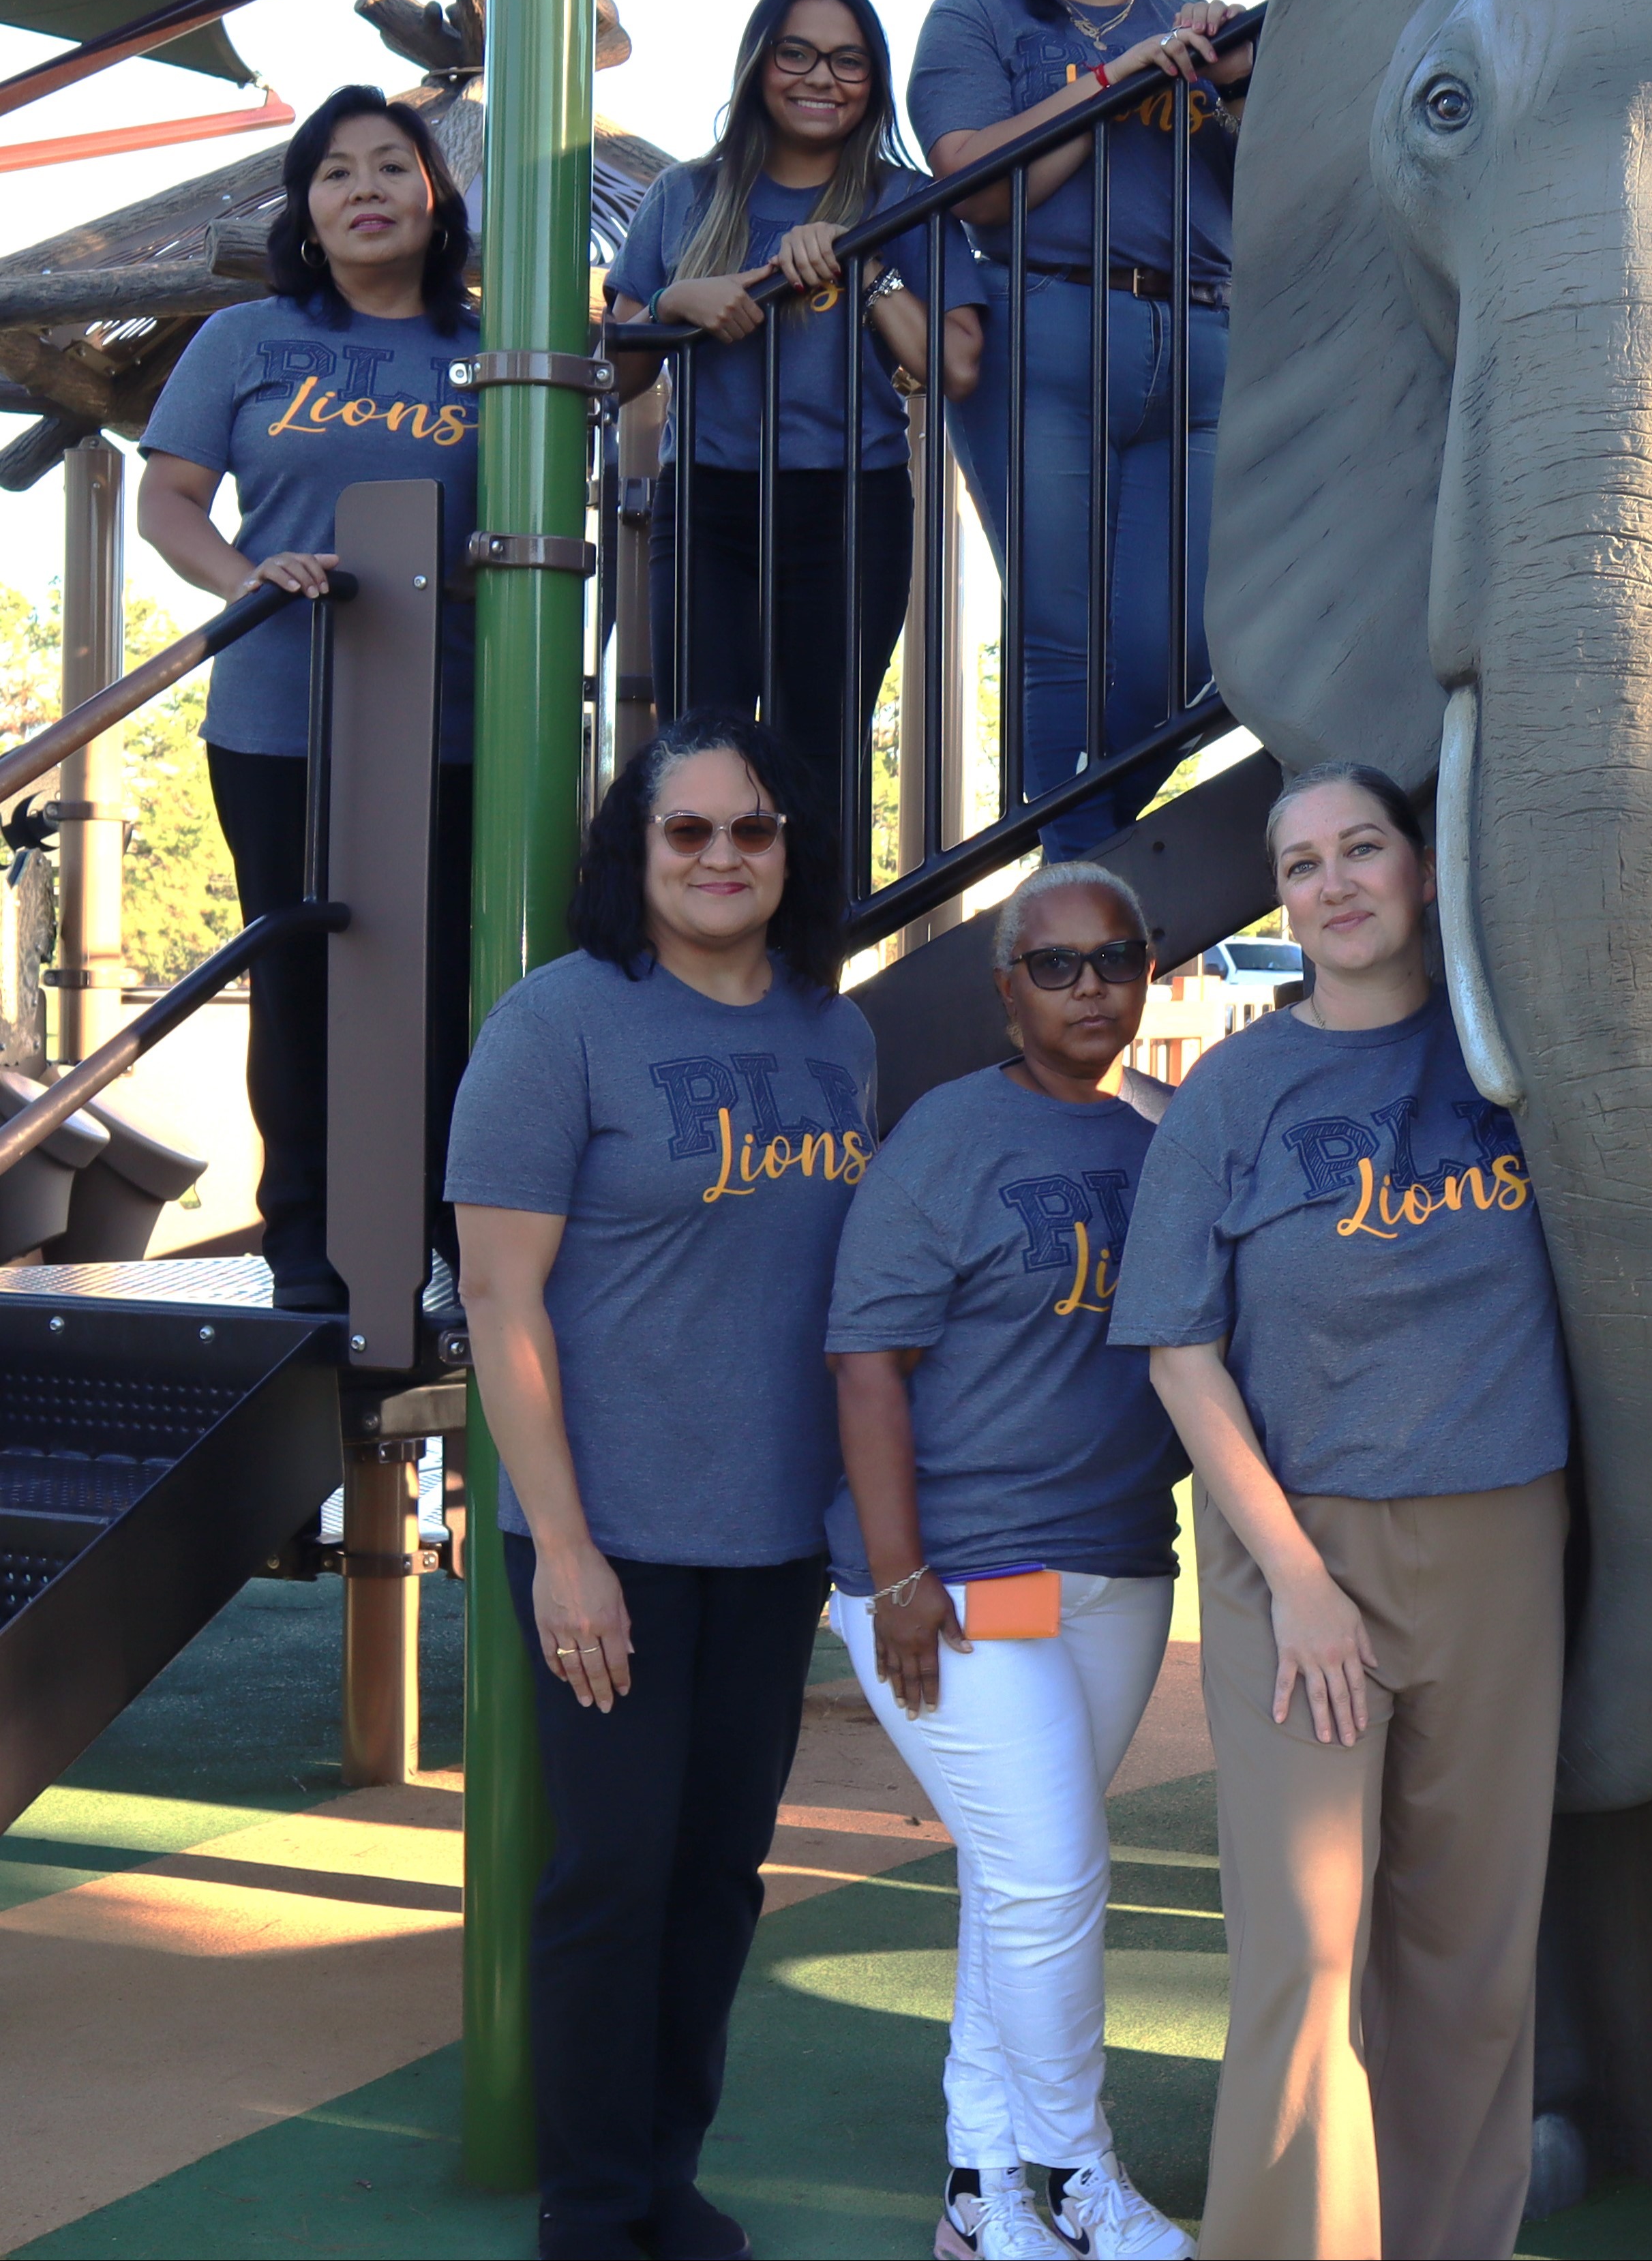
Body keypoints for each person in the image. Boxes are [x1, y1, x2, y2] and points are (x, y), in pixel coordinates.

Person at [1107, 763, 1569, 2260]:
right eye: (1298, 863)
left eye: (1360, 848)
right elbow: (1181, 1356)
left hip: (1502, 1541)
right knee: (1304, 1955)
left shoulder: (1512, 1064)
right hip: (1296, 1557)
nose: (1333, 883)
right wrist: (1296, 1579)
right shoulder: (1236, 1092)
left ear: (1420, 869)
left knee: (1469, 1954)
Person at [447, 712, 877, 2261]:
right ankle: (595, 2205)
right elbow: (500, 1300)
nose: (719, 856)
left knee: (716, 1877)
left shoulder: (837, 1034)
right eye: (684, 831)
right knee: (614, 1878)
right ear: (634, 856)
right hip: (603, 1537)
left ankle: (666, 2176)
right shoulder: (558, 1025)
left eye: (751, 830)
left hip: (768, 1542)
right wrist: (561, 1549)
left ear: (790, 853)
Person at [824, 860, 1193, 2261]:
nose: (1089, 985)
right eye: (1055, 965)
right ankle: (1081, 2173)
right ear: (1005, 989)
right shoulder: (949, 1136)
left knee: (1014, 1877)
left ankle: (983, 2195)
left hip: (1110, 1563)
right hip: (960, 1577)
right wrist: (901, 1576)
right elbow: (866, 1360)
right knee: (1048, 1874)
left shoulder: (1157, 1137)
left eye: (1115, 959)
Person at [138, 83, 481, 1311]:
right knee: (297, 974)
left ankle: (444, 1229)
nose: (366, 191)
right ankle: (305, 1243)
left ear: (435, 198)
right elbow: (169, 499)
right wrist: (250, 579)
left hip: (452, 723)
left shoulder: (482, 350)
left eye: (392, 167)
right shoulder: (246, 340)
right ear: (307, 207)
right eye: (337, 173)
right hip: (281, 715)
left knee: (446, 975)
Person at [907, 0, 1254, 856]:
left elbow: (1283, 189)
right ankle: (1070, 870)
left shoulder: (1206, 21)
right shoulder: (982, 20)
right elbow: (972, 183)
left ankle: (1077, 850)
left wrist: (1241, 89)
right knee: (1061, 625)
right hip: (1045, 327)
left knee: (1182, 642)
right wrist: (1108, 86)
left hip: (1201, 338)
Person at [607, 0, 985, 823]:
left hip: (852, 504)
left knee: (818, 761)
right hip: (708, 503)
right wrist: (673, 304)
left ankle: (811, 956)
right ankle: (703, 950)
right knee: (699, 753)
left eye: (849, 62)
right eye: (799, 54)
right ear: (758, 66)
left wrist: (868, 264)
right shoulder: (684, 196)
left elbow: (952, 366)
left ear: (874, 82)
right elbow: (616, 371)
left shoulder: (901, 200)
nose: (823, 78)